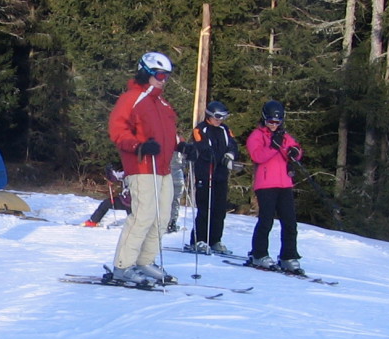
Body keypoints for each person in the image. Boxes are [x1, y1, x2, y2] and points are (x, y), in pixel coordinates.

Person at [106, 51, 179, 285]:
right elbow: (118, 131)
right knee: (143, 216)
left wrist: (185, 146)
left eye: (166, 76)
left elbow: (170, 136)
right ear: (145, 73)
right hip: (142, 166)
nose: (163, 79)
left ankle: (144, 261)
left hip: (163, 168)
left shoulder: (162, 103)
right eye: (159, 74)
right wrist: (139, 146)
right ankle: (123, 265)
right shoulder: (131, 98)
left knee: (162, 218)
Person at [245, 98, 302, 273]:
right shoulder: (257, 135)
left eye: (278, 122)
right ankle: (259, 253)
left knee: (290, 222)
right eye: (270, 121)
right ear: (264, 119)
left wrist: (295, 152)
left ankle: (288, 256)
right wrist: (273, 147)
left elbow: (296, 149)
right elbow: (257, 156)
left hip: (284, 183)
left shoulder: (284, 136)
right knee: (266, 220)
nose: (274, 125)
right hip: (266, 184)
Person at [183, 100, 238, 254]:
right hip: (205, 173)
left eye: (223, 117)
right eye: (217, 116)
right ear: (210, 115)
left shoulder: (225, 129)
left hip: (220, 174)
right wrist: (217, 157)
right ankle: (199, 239)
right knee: (205, 207)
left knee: (219, 209)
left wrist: (231, 154)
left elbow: (233, 144)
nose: (220, 120)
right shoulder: (200, 129)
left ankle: (215, 239)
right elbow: (203, 147)